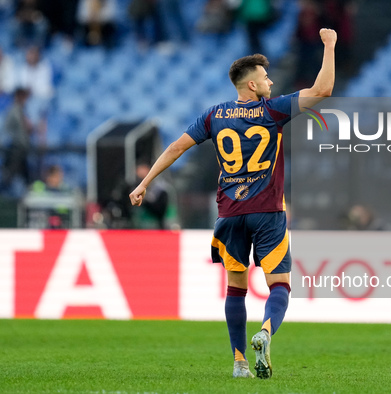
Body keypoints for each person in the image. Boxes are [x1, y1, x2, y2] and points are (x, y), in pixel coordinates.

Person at [130, 28, 337, 379]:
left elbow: (178, 147)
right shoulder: (273, 110)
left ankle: (240, 361)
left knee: (235, 289)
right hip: (268, 212)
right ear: (252, 86)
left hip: (229, 214)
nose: (270, 81)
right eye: (266, 77)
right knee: (280, 285)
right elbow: (323, 90)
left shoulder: (214, 116)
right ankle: (265, 332)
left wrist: (145, 182)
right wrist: (329, 46)